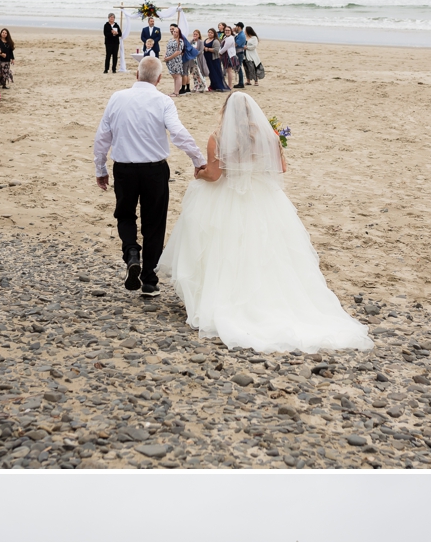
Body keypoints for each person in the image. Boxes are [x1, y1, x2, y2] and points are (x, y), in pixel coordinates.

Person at [160, 91, 375, 353]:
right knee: (267, 248)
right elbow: (281, 169)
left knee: (224, 248)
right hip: (262, 199)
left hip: (228, 199)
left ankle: (224, 297)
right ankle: (271, 299)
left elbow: (215, 176)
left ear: (225, 112)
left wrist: (199, 174)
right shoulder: (269, 136)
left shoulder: (218, 137)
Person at [93, 55, 209, 298]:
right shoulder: (163, 100)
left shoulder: (117, 97)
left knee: (124, 215)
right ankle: (149, 280)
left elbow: (103, 135)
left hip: (124, 168)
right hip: (154, 170)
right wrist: (198, 159)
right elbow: (177, 133)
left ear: (136, 75)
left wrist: (100, 168)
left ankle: (132, 253)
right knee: (154, 224)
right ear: (159, 78)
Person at [164, 24, 186, 96]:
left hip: (176, 60)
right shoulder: (171, 39)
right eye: (174, 31)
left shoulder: (180, 41)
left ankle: (176, 92)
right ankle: (175, 91)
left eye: (176, 32)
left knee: (177, 75)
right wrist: (165, 56)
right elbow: (167, 48)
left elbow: (178, 51)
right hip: (169, 60)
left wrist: (169, 57)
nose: (175, 33)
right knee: (174, 76)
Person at [233, 22, 248, 88]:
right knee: (238, 68)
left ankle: (241, 83)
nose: (235, 27)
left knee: (239, 68)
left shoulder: (241, 35)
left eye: (236, 26)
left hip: (239, 53)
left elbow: (235, 44)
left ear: (239, 27)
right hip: (238, 53)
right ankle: (240, 82)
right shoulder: (239, 34)